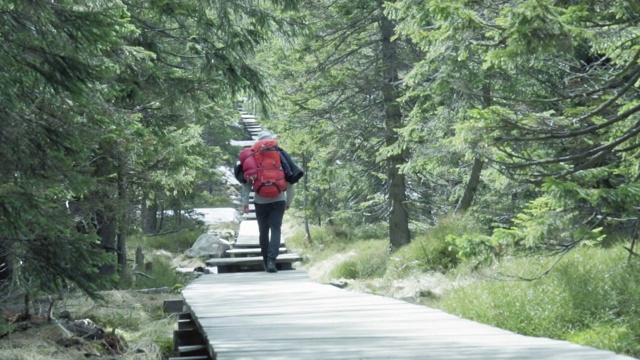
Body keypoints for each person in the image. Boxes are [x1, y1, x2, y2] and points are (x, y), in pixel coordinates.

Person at [241, 130, 296, 273]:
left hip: (260, 200)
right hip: (279, 199)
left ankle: (266, 262)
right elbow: (291, 181)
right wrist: (288, 201)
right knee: (276, 229)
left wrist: (245, 202)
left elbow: (246, 182)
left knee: (263, 231)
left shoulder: (253, 157)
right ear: (272, 140)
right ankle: (272, 260)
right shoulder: (280, 155)